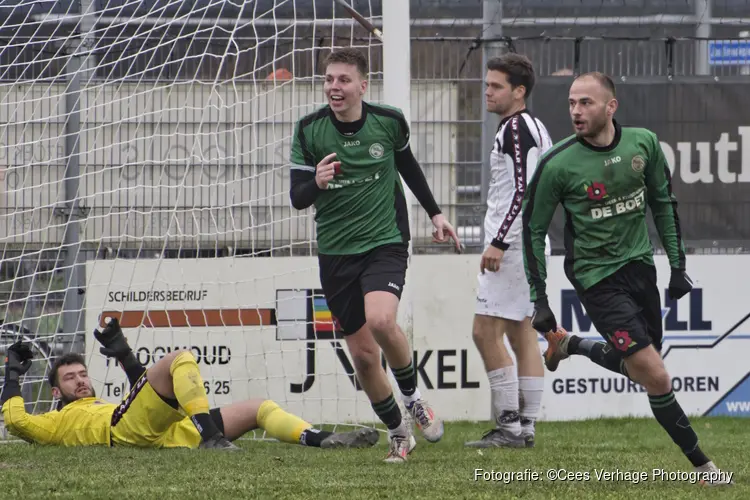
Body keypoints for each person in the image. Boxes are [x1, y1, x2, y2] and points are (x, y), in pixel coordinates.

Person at [521, 71, 732, 485]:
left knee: (643, 367)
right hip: (596, 277)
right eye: (571, 103)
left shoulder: (644, 144)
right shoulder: (558, 164)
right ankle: (703, 468)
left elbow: (663, 203)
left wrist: (678, 266)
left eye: (586, 103)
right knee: (656, 374)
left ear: (611, 106)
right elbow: (532, 229)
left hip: (640, 268)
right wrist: (539, 298)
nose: (576, 112)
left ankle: (572, 344)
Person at [288, 47, 461, 463]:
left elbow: (408, 166)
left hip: (385, 240)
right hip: (335, 252)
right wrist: (318, 181)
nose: (334, 87)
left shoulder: (388, 121)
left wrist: (435, 214)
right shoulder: (310, 130)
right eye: (329, 79)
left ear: (363, 85)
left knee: (382, 319)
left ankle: (414, 399)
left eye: (343, 80)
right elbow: (297, 198)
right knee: (364, 358)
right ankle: (399, 434)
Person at [0, 318, 379, 450]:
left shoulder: (104, 403)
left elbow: (145, 402)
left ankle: (321, 438)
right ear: (55, 392)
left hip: (166, 432)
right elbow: (15, 420)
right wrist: (12, 373)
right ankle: (211, 436)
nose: (81, 381)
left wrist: (124, 356)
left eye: (83, 374)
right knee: (180, 359)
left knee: (259, 408)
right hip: (122, 433)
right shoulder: (55, 422)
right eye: (70, 378)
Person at [464, 53, 553, 450]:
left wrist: (499, 240)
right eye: (487, 84)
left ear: (519, 92)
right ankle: (526, 427)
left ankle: (509, 427)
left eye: (496, 85)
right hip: (529, 242)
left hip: (513, 244)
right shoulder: (532, 126)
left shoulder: (515, 128)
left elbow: (524, 189)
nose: (487, 91)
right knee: (521, 334)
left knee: (484, 332)